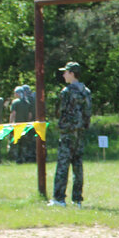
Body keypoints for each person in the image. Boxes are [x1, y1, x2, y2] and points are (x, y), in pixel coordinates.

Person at [50, 62, 91, 207]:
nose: (63, 75)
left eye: (66, 72)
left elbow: (60, 111)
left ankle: (59, 198)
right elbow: (88, 113)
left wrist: (62, 127)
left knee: (63, 165)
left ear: (72, 73)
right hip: (80, 133)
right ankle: (77, 199)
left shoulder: (66, 92)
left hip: (67, 132)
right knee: (78, 165)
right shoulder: (86, 91)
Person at [10, 85, 36, 163]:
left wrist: (11, 123)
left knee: (16, 143)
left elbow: (13, 113)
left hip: (17, 125)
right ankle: (24, 158)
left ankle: (16, 158)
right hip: (25, 125)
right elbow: (30, 114)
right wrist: (27, 122)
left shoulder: (15, 102)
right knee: (24, 143)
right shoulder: (27, 102)